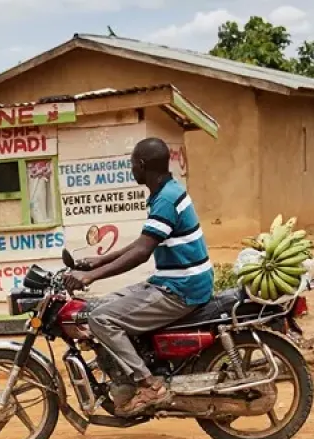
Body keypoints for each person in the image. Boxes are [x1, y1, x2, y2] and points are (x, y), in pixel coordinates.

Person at [63, 137, 213, 416]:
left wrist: (90, 276)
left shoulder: (166, 199)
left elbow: (142, 252)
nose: (131, 169)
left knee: (101, 318)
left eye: (133, 163)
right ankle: (130, 372)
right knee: (97, 306)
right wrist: (99, 260)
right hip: (174, 280)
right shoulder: (164, 192)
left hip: (181, 288)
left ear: (142, 166)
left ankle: (149, 384)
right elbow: (144, 241)